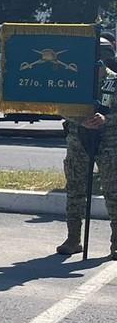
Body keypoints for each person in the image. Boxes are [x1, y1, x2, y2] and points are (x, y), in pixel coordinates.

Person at [58, 35, 117, 259]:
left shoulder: (115, 82)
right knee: (75, 190)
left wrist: (106, 120)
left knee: (113, 192)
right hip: (78, 141)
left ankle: (116, 242)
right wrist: (80, 119)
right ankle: (73, 239)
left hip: (109, 143)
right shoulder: (75, 80)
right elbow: (61, 107)